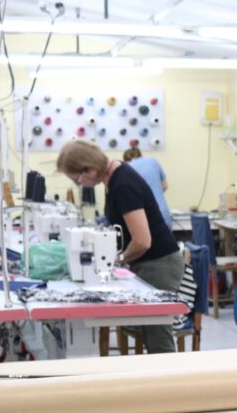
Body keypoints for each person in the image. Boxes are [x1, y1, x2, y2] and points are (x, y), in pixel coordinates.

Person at [57, 140, 183, 354]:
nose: (80, 184)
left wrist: (118, 259)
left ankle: (169, 384)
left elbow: (143, 241)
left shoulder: (123, 184)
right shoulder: (114, 179)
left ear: (90, 168)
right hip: (150, 263)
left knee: (158, 338)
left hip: (159, 265)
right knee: (149, 334)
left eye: (78, 179)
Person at [122, 146, 173, 229]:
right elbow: (165, 186)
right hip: (164, 214)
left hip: (146, 217)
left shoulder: (127, 168)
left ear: (126, 160)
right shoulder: (153, 161)